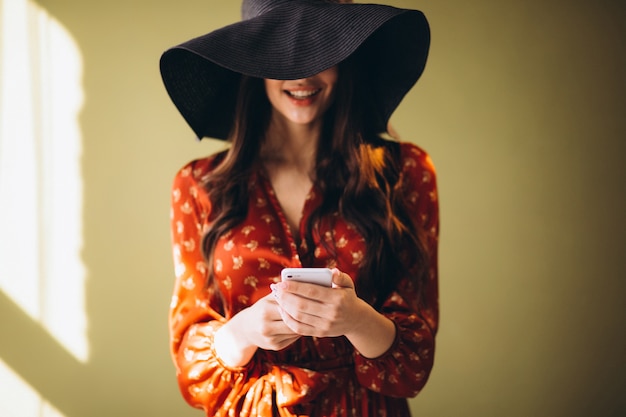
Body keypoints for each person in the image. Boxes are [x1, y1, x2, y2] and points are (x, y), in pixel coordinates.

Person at [159, 0, 439, 415]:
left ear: (347, 58)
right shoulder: (198, 186)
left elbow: (414, 362)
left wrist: (355, 319)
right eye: (281, 57)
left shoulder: (406, 173)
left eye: (322, 52)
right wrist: (248, 330)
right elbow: (190, 358)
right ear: (253, 64)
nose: (303, 75)